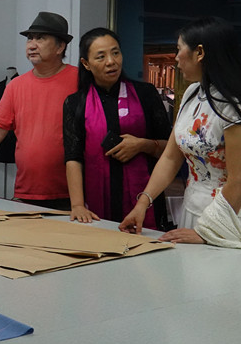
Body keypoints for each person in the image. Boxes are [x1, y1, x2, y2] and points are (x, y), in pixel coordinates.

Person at [120, 17, 241, 252]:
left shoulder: (235, 105)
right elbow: (171, 157)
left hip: (231, 214)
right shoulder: (193, 93)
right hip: (195, 205)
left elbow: (239, 180)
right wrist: (143, 202)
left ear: (199, 52)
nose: (176, 57)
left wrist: (206, 231)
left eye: (179, 49)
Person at [0, 12, 77, 210]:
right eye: (30, 38)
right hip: (26, 190)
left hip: (73, 194)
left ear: (60, 47)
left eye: (41, 38)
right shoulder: (16, 86)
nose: (32, 45)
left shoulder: (79, 81)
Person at [63, 28, 172, 228]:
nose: (111, 61)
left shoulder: (146, 93)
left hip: (144, 197)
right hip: (96, 200)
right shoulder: (75, 103)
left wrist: (142, 145)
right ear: (86, 63)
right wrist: (77, 205)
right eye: (101, 56)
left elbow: (171, 149)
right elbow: (73, 157)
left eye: (115, 53)